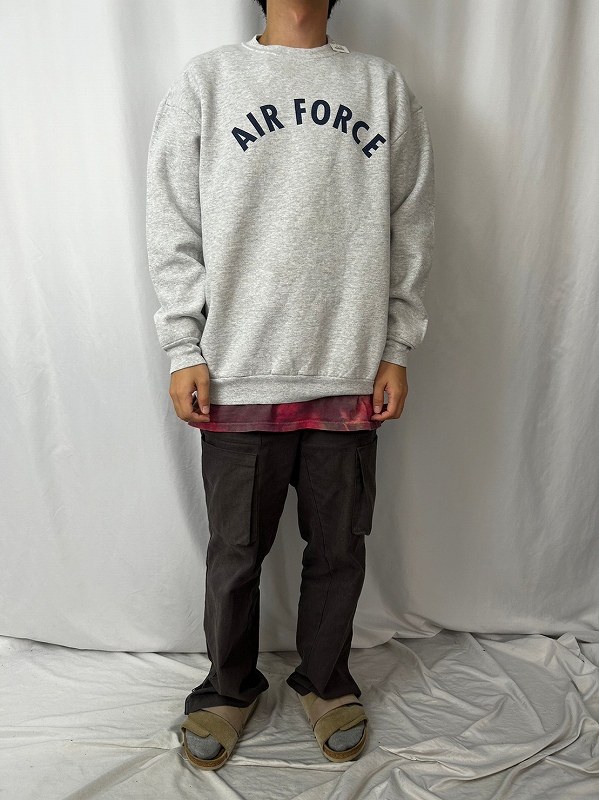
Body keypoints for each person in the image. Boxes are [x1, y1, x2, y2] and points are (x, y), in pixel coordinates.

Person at [145, 0, 435, 771]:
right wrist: (182, 345)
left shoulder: (380, 86)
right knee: (235, 554)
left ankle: (326, 682)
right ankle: (226, 690)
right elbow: (172, 221)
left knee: (338, 549)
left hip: (348, 365)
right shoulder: (208, 81)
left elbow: (411, 223)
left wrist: (395, 346)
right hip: (236, 367)